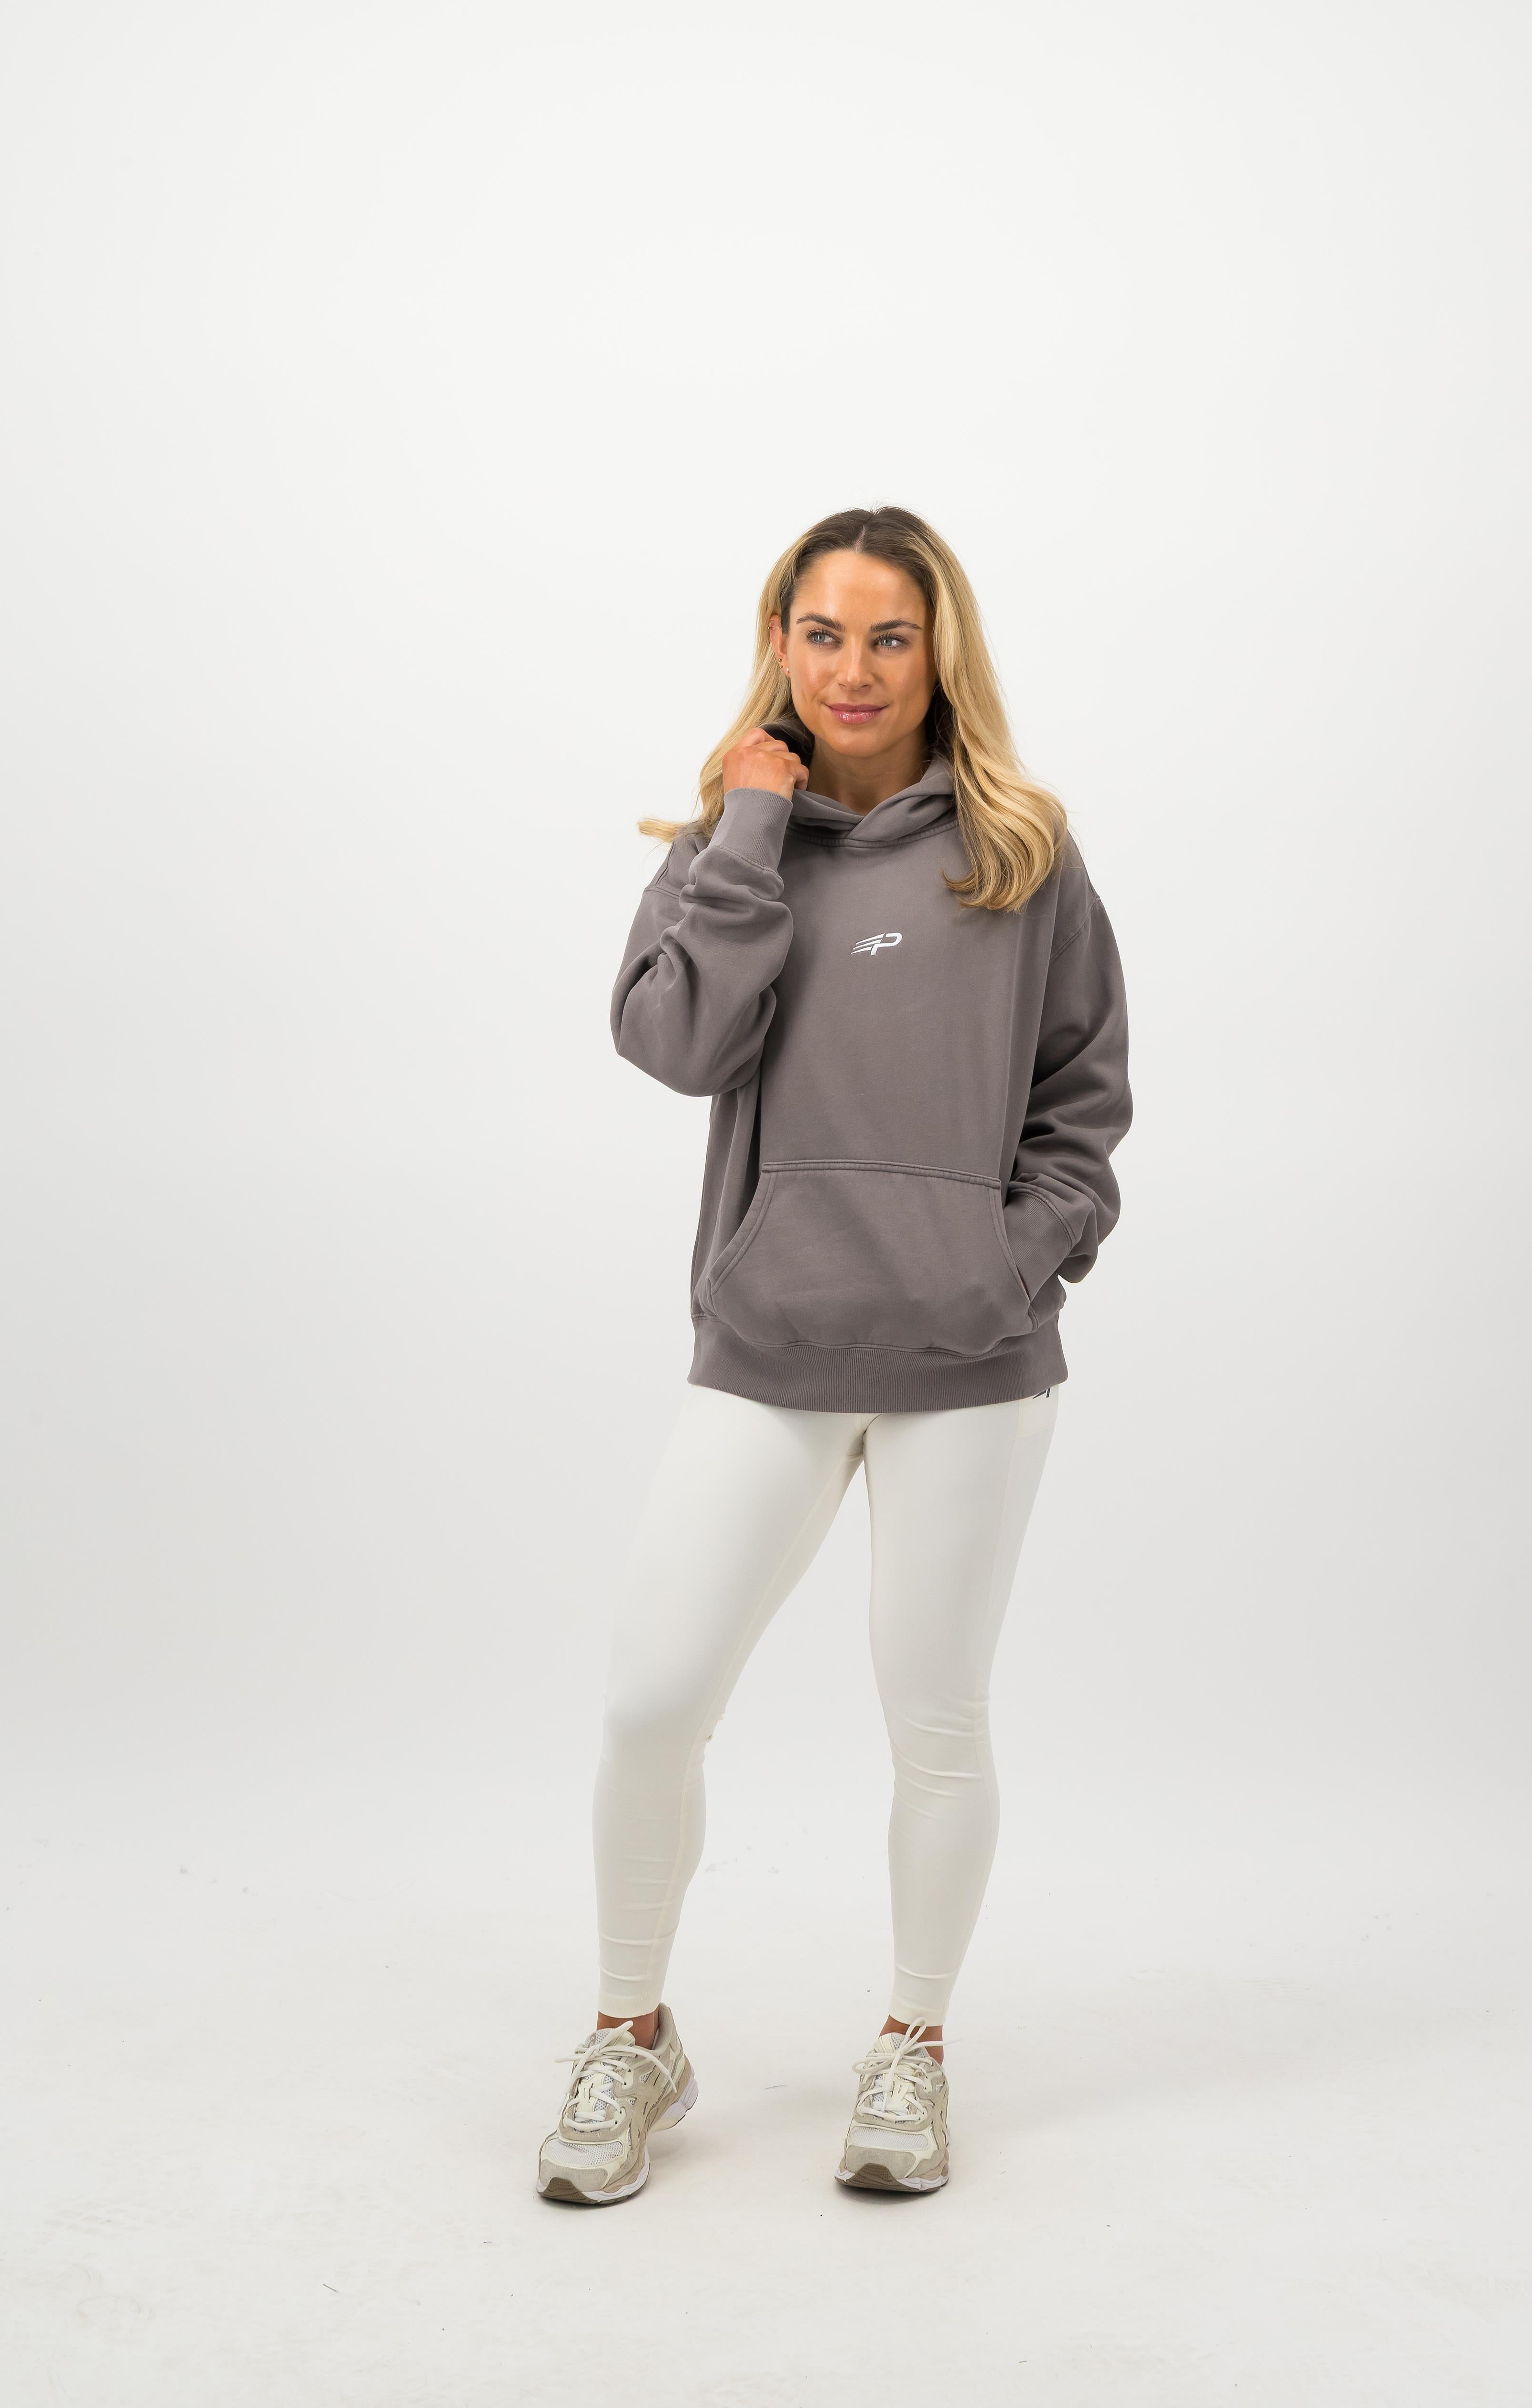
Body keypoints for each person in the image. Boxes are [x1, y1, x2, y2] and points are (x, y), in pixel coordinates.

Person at [537, 505, 1132, 2204]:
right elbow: (676, 1042)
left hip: (970, 1364)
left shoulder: (1023, 852)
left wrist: (1003, 1266)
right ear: (779, 644)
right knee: (654, 1701)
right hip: (770, 1344)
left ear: (940, 650)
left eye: (889, 635)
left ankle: (913, 2047)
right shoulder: (730, 841)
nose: (852, 669)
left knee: (935, 1718)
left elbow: (1085, 1106)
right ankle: (632, 2033)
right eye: (821, 633)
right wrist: (748, 821)